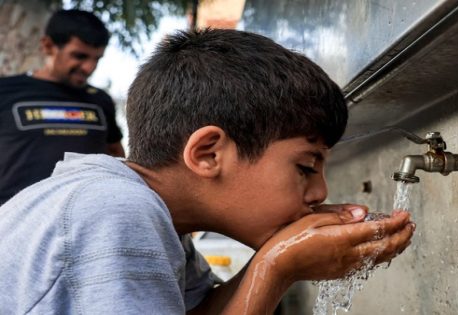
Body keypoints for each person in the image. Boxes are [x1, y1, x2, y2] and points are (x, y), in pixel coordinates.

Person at [0, 29, 415, 314]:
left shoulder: (158, 219)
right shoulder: (114, 210)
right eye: (305, 166)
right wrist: (276, 266)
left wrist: (280, 261)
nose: (319, 192)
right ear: (207, 154)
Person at [0, 9, 124, 205]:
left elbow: (116, 155)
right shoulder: (6, 92)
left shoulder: (100, 100)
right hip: (14, 225)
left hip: (88, 220)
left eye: (97, 59)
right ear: (48, 45)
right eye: (80, 56)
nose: (89, 68)